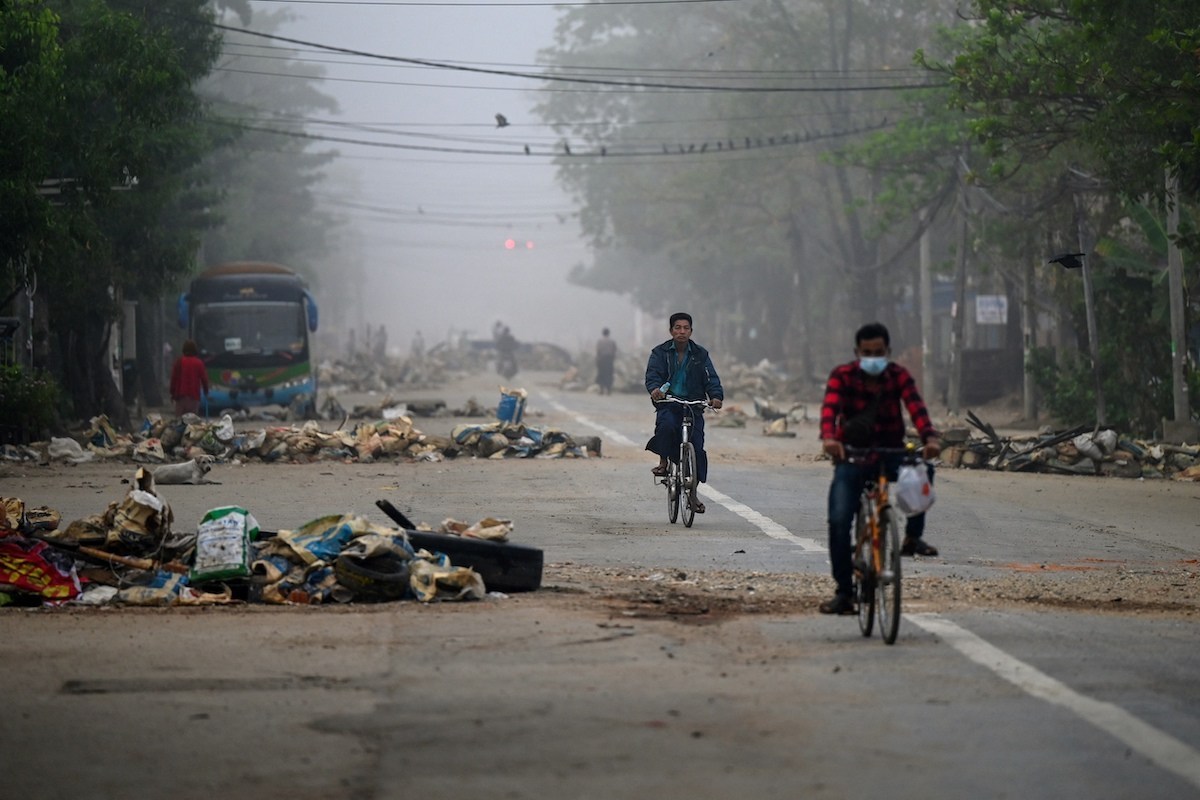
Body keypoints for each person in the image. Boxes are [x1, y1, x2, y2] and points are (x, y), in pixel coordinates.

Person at [818, 322, 941, 615]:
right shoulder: (843, 375)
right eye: (867, 352)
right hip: (853, 457)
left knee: (925, 469)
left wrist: (930, 437)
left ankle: (912, 537)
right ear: (857, 352)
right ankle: (844, 593)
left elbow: (917, 409)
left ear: (887, 351)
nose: (873, 356)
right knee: (838, 521)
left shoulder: (898, 376)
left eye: (878, 352)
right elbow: (829, 410)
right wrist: (830, 439)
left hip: (891, 452)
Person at [644, 312, 724, 512]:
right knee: (667, 426)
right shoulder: (660, 353)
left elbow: (710, 377)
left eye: (685, 328)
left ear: (691, 331)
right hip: (669, 402)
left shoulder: (700, 354)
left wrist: (716, 396)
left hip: (694, 405)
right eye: (677, 328)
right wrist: (655, 390)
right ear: (671, 331)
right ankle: (663, 461)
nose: (681, 332)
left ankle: (693, 495)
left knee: (697, 448)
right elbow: (653, 375)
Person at [169, 339, 210, 417]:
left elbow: (174, 379)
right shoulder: (199, 363)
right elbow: (204, 379)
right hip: (194, 396)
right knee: (192, 422)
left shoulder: (178, 362)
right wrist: (206, 391)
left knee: (179, 421)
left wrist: (172, 393)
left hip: (180, 396)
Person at [595, 327, 617, 395]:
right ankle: (609, 390)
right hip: (609, 360)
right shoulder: (612, 341)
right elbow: (614, 351)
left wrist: (597, 360)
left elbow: (598, 351)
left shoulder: (600, 341)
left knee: (601, 374)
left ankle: (601, 389)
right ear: (609, 333)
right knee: (609, 374)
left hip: (602, 360)